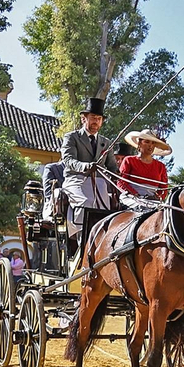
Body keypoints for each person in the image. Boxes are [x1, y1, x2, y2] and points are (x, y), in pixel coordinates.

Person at [61, 97, 118, 259]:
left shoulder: (106, 143)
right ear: (83, 118)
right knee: (86, 203)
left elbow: (112, 167)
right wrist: (85, 166)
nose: (96, 122)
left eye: (99, 119)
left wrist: (117, 176)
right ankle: (82, 244)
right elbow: (68, 160)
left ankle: (103, 246)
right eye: (93, 118)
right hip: (76, 179)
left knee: (104, 210)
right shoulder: (72, 137)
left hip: (99, 183)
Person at [117, 129, 172, 205]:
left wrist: (157, 197)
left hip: (153, 200)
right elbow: (121, 182)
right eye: (147, 142)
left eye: (153, 143)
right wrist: (136, 194)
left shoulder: (160, 166)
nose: (150, 145)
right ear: (139, 143)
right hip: (130, 197)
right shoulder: (129, 160)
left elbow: (164, 188)